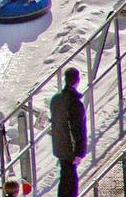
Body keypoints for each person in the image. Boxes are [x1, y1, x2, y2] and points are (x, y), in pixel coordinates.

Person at [49, 67, 87, 197]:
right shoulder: (75, 104)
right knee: (70, 182)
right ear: (77, 80)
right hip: (70, 148)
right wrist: (79, 151)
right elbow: (77, 128)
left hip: (59, 146)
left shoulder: (56, 100)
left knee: (65, 177)